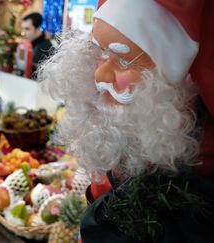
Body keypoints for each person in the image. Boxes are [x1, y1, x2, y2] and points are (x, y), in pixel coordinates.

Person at [38, 0, 213, 242]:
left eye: (123, 59)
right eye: (101, 54)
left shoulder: (198, 175)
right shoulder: (122, 130)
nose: (99, 74)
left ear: (164, 81)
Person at [21, 12, 53, 79]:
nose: (23, 33)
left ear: (38, 28)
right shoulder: (29, 44)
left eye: (27, 29)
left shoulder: (46, 48)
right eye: (23, 29)